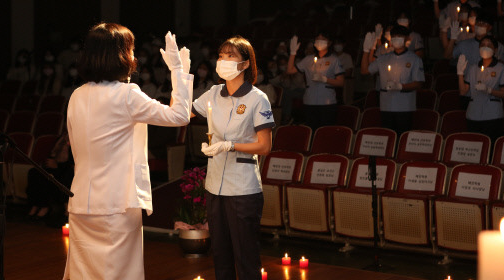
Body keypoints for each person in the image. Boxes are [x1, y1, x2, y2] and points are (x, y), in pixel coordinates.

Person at [63, 23, 193, 280]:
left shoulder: (76, 95)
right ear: (120, 55)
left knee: (83, 274)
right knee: (120, 274)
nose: (135, 57)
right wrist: (178, 71)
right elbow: (180, 115)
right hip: (117, 203)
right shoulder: (127, 94)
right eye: (131, 50)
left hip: (81, 202)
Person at [191, 36, 274, 280]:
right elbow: (182, 114)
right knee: (220, 255)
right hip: (215, 186)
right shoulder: (213, 93)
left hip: (243, 189)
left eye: (231, 56)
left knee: (246, 258)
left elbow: (265, 146)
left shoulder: (257, 98)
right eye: (221, 56)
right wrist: (179, 75)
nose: (223, 61)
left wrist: (229, 145)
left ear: (246, 64)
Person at [361, 25, 425, 136]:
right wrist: (366, 50)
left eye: (399, 36)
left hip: (405, 106)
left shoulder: (414, 59)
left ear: (406, 39)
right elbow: (365, 71)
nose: (396, 39)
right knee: (387, 137)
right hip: (386, 105)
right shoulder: (383, 58)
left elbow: (419, 83)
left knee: (402, 137)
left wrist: (400, 87)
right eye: (394, 36)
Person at [286, 32, 345, 131]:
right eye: (318, 39)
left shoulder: (334, 60)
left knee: (325, 131)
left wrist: (325, 79)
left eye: (323, 39)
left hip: (327, 102)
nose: (320, 42)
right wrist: (292, 53)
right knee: (311, 131)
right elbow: (290, 70)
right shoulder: (308, 59)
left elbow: (341, 82)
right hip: (310, 101)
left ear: (329, 43)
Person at [457, 36, 504, 142]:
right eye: (482, 45)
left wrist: (489, 90)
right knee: (474, 145)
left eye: (489, 45)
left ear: (495, 50)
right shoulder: (473, 68)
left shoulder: (501, 68)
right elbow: (463, 91)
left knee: (490, 145)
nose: (485, 48)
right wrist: (460, 73)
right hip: (473, 113)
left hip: (492, 114)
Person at [26, 131, 74, 225]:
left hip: (66, 168)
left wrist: (57, 166)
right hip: (55, 166)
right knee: (34, 172)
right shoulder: (61, 138)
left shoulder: (77, 139)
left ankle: (45, 207)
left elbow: (73, 162)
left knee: (65, 175)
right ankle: (36, 205)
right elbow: (52, 154)